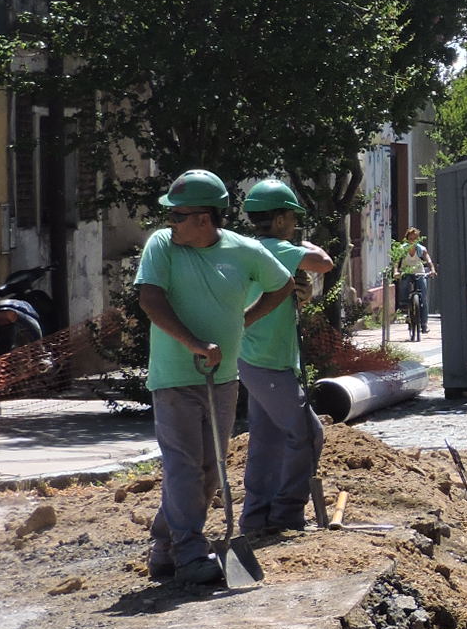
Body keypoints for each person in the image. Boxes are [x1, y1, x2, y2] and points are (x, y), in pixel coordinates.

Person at [133, 169, 294, 586]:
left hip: (221, 378)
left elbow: (283, 284)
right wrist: (192, 343)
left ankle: (165, 545)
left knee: (209, 470)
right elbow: (150, 298)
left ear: (203, 219)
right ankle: (190, 553)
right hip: (173, 378)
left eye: (177, 216)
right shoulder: (162, 246)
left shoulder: (243, 250)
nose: (170, 223)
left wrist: (244, 321)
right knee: (184, 467)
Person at [235, 178, 336, 534]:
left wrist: (300, 294)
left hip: (255, 356)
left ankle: (256, 517)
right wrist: (300, 244)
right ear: (279, 220)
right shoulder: (279, 248)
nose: (294, 226)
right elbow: (324, 262)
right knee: (309, 434)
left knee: (266, 441)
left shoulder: (246, 247)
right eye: (292, 219)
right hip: (268, 361)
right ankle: (287, 513)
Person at [392, 227, 432, 332]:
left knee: (423, 297)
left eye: (415, 238)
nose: (412, 240)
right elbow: (396, 262)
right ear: (407, 238)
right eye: (410, 238)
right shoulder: (402, 249)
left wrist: (432, 270)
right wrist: (396, 271)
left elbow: (428, 260)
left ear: (418, 239)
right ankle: (406, 307)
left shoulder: (421, 249)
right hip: (406, 272)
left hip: (419, 272)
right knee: (404, 286)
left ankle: (424, 324)